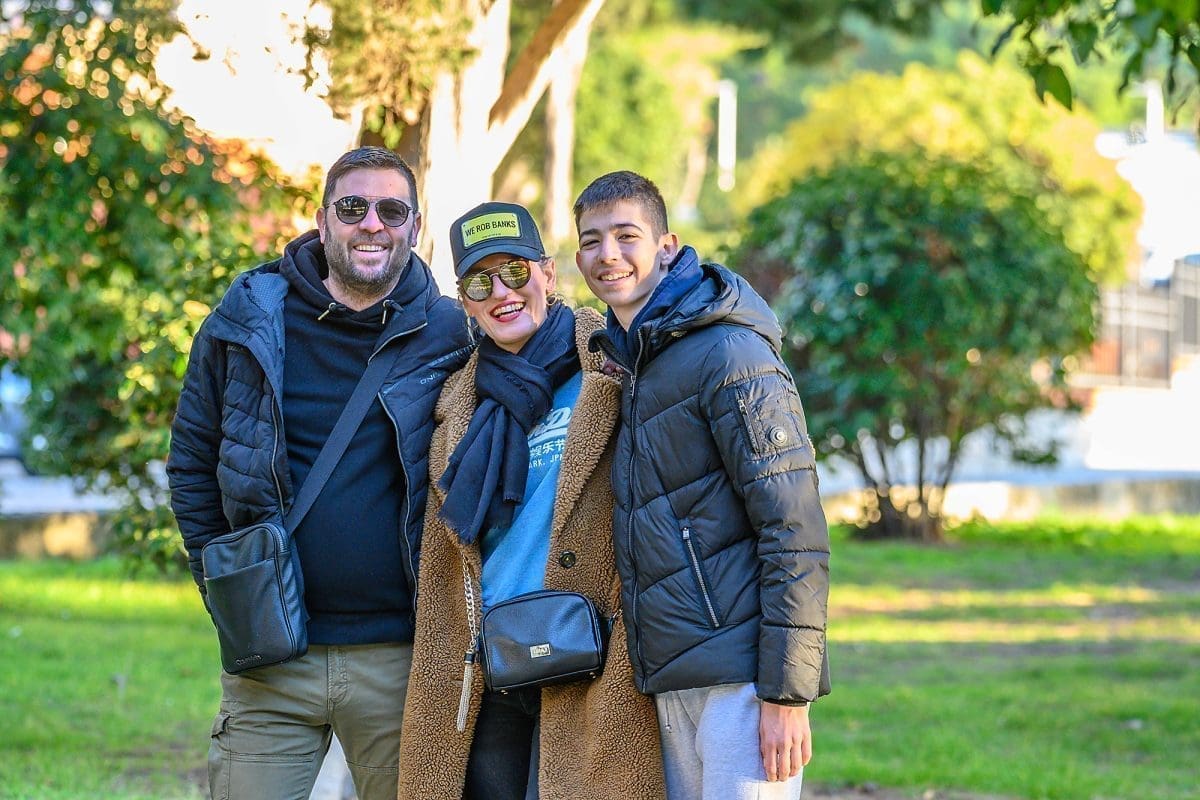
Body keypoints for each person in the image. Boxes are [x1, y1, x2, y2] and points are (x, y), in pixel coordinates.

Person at [166, 146, 471, 800]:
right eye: (353, 207)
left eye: (392, 211)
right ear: (322, 218)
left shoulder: (449, 331)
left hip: (402, 661)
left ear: (415, 226)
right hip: (272, 661)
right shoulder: (250, 318)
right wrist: (228, 590)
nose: (372, 224)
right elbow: (192, 463)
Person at [572, 170, 831, 800]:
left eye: (626, 236)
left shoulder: (729, 354)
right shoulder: (630, 361)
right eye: (591, 240)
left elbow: (793, 525)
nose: (608, 255)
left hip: (743, 681)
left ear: (667, 246)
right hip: (673, 678)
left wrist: (787, 693)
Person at [397, 201, 665, 800]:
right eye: (479, 283)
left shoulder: (613, 367)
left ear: (547, 272)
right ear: (465, 301)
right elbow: (444, 560)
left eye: (515, 272)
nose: (501, 293)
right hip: (489, 667)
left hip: (591, 658)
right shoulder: (455, 407)